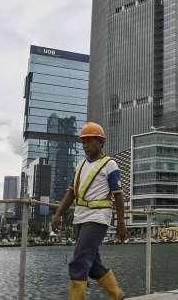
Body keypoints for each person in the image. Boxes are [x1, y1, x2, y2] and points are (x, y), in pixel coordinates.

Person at [52, 122, 129, 300]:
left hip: (98, 218)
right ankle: (117, 295)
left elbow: (118, 196)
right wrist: (58, 213)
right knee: (93, 265)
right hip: (80, 217)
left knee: (78, 262)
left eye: (90, 141)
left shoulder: (110, 165)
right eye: (84, 142)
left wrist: (121, 224)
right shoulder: (80, 165)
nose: (86, 145)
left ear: (101, 142)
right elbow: (71, 191)